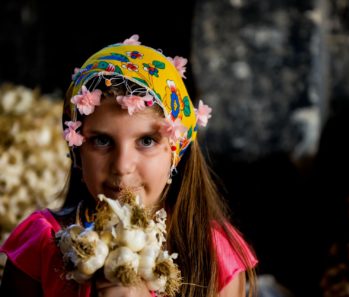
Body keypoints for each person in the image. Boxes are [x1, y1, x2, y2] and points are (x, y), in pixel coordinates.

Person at [0, 34, 258, 297]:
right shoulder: (40, 247)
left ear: (176, 151)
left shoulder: (213, 256)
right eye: (101, 140)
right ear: (77, 150)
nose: (122, 166)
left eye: (147, 140)